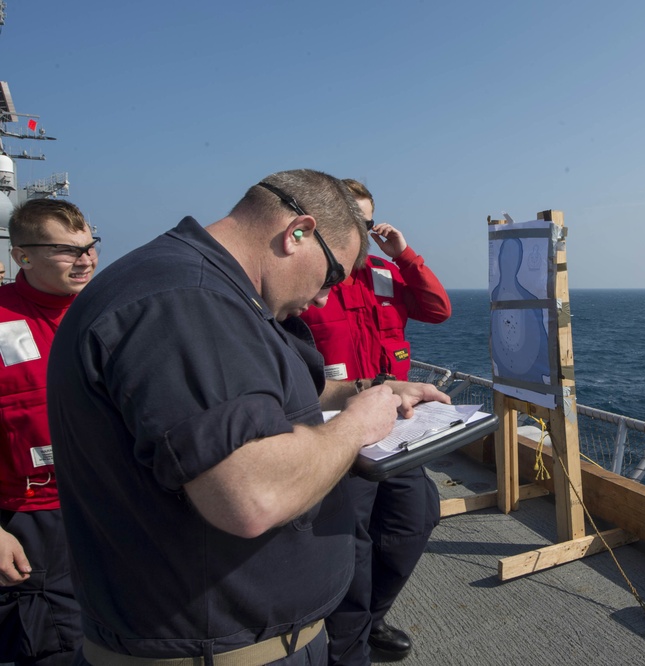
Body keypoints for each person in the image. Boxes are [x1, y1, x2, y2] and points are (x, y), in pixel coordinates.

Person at [46, 169, 449, 665]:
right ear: (296, 233)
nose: (325, 297)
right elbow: (252, 495)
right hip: (220, 648)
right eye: (330, 276)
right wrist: (358, 425)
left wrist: (369, 390)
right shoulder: (186, 302)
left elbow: (270, 391)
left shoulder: (201, 286)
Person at [301, 180, 450, 663]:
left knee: (415, 519)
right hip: (339, 429)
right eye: (351, 223)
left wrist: (405, 255)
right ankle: (347, 646)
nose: (361, 233)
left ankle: (370, 618)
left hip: (395, 425)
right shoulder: (311, 282)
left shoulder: (385, 273)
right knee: (353, 543)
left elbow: (437, 310)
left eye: (367, 223)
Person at [0, 198, 98, 665]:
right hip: (32, 523)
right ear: (22, 255)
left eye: (89, 246)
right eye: (66, 250)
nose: (85, 260)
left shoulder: (113, 313)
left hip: (111, 508)